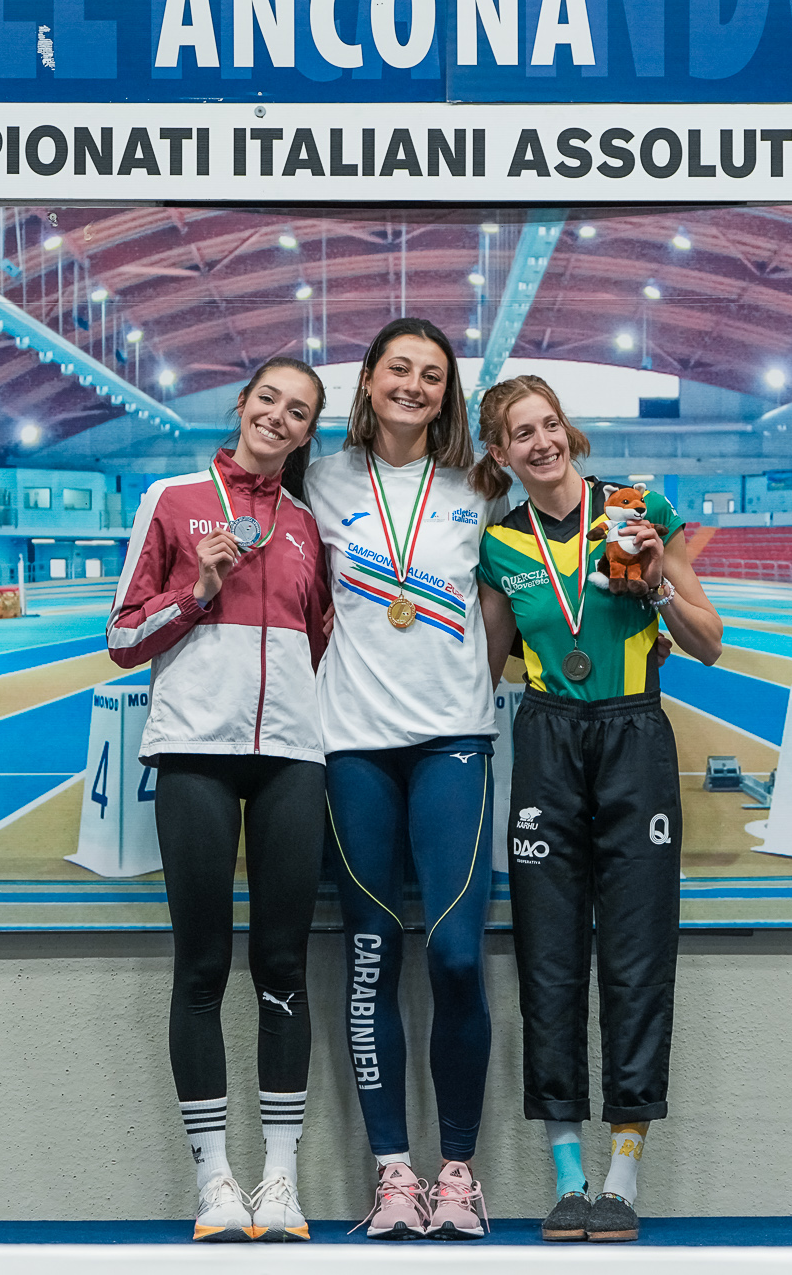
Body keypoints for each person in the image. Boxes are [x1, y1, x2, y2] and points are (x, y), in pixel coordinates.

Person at [472, 374, 723, 1244]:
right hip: (545, 740)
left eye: (549, 424)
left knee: (636, 954)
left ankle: (622, 1176)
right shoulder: (500, 543)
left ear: (568, 431)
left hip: (634, 734)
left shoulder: (637, 509)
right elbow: (486, 666)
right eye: (521, 433)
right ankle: (568, 1175)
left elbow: (709, 641)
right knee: (547, 958)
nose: (541, 441)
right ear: (501, 453)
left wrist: (655, 584)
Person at [107, 358, 333, 1243]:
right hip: (196, 751)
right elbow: (123, 635)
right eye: (269, 399)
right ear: (242, 405)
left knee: (283, 968)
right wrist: (197, 591)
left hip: (291, 758)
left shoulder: (305, 522)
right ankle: (214, 1180)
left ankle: (280, 1179)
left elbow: (318, 639)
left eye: (299, 411)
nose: (280, 416)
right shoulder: (171, 499)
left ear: (309, 432)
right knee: (201, 968)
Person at [303, 317, 502, 1239]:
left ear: (447, 393)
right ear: (370, 381)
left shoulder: (479, 486)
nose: (414, 385)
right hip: (353, 745)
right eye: (399, 369)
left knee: (456, 953)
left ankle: (457, 1171)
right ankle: (393, 1172)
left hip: (453, 740)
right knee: (371, 953)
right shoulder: (321, 479)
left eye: (431, 374)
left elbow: (508, 599)